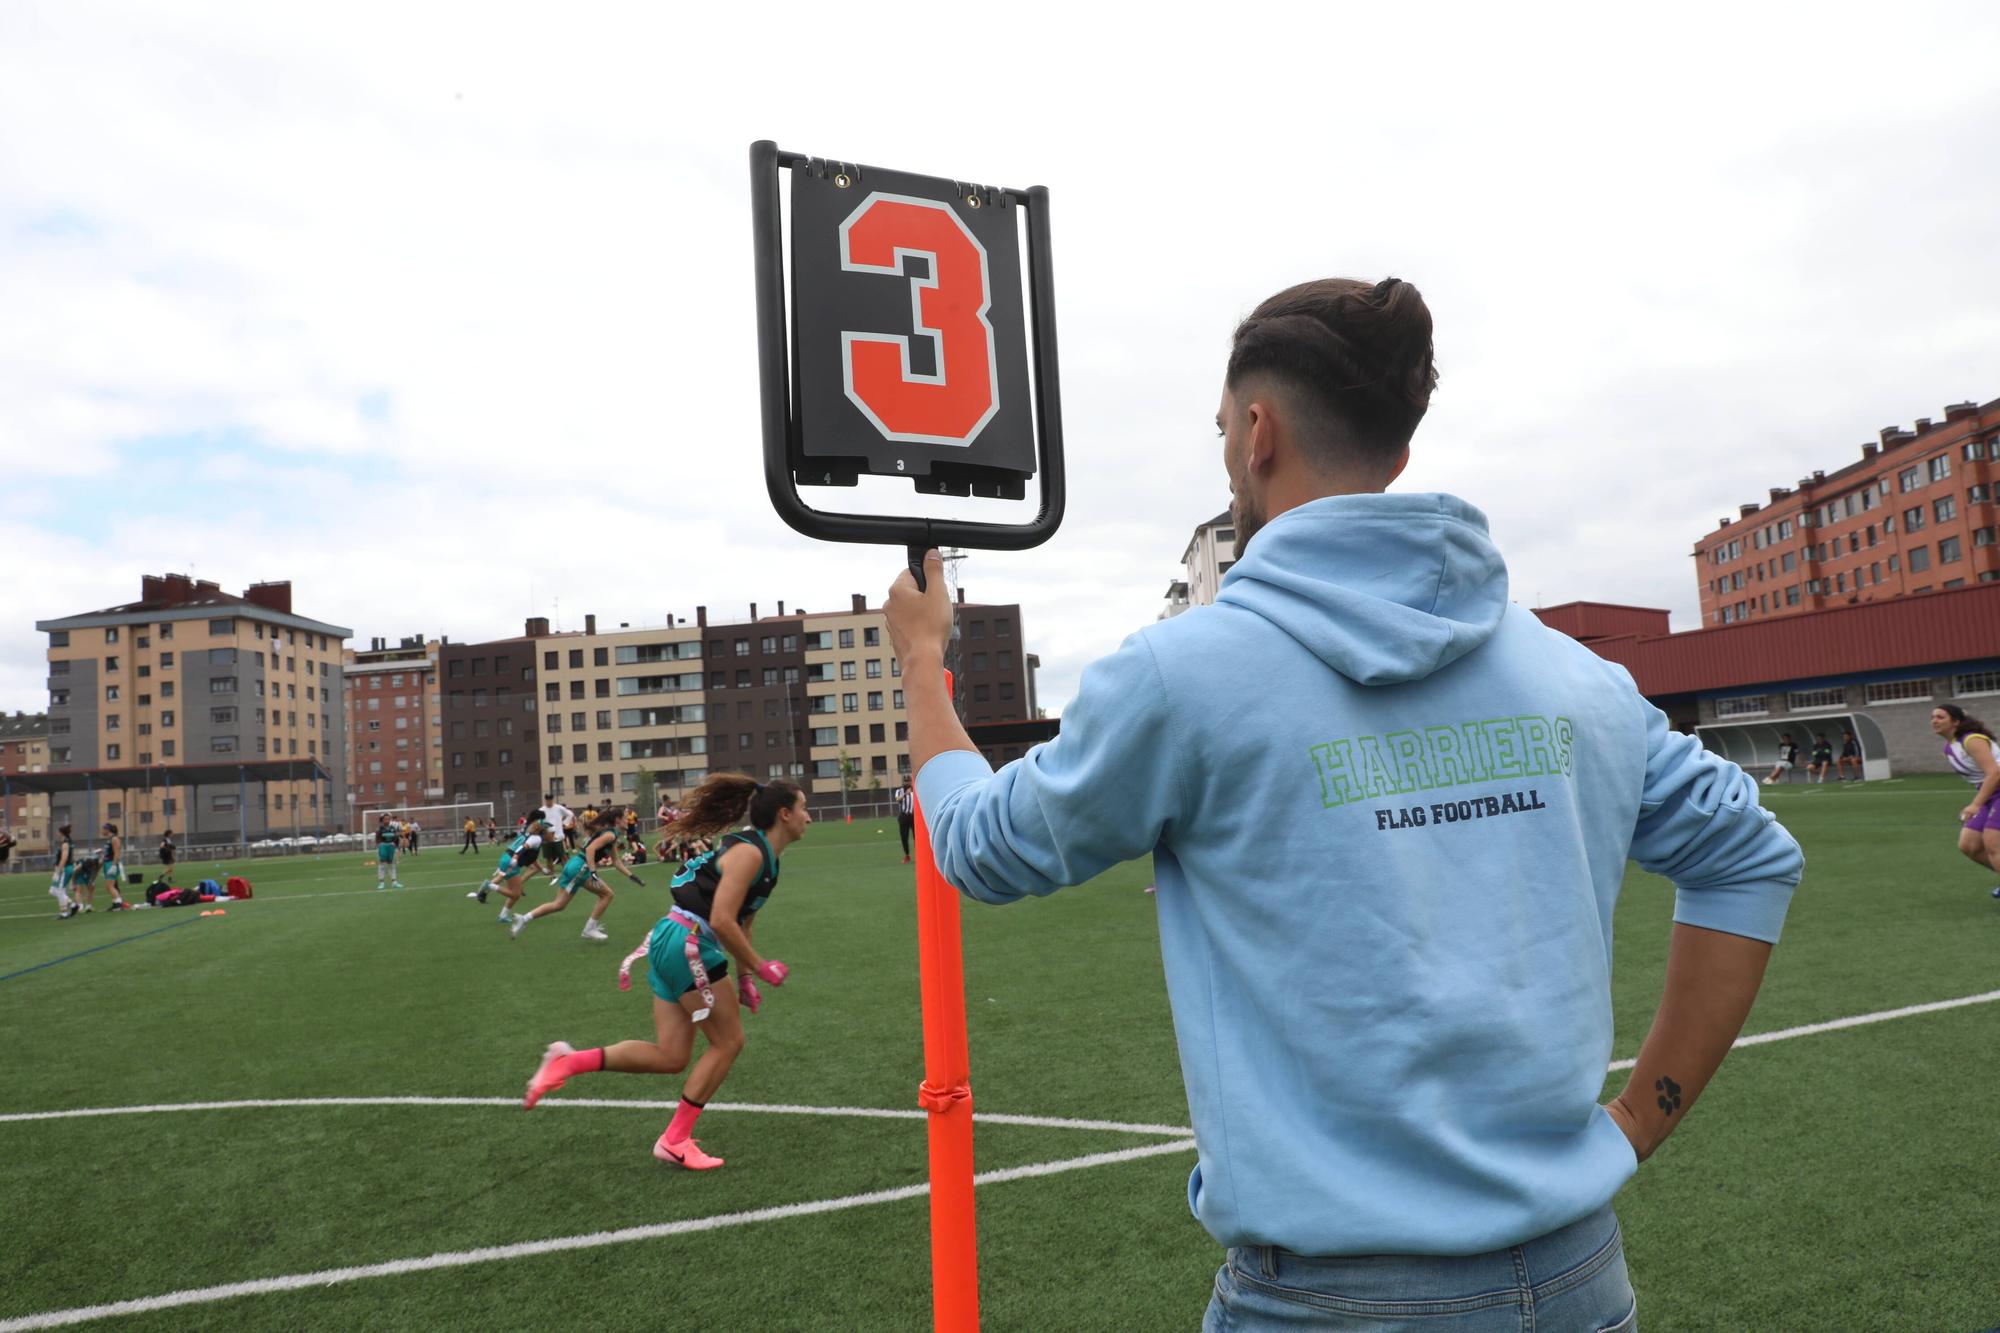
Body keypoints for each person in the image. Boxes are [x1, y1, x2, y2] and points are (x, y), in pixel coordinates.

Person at [884, 276, 1803, 1330]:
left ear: (1257, 432)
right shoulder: (1572, 674)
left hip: (1331, 1300)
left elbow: (979, 847)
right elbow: (1749, 859)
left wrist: (920, 665)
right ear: (1396, 454)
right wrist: (1638, 1119)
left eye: (1224, 425)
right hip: (1576, 1282)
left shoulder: (1185, 675)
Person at [522, 776, 807, 1171]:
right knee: (728, 1042)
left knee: (672, 1055)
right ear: (785, 814)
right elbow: (723, 920)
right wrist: (760, 966)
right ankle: (674, 1140)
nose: (808, 817)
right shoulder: (752, 854)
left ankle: (568, 1061)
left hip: (672, 938)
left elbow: (743, 923)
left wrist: (744, 979)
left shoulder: (764, 859)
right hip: (689, 942)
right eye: (804, 808)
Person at [509, 809, 640, 942]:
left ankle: (524, 919)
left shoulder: (611, 835)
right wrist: (593, 872)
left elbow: (616, 861)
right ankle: (589, 929)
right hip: (580, 868)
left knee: (559, 905)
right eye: (624, 817)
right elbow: (590, 849)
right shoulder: (610, 835)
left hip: (573, 865)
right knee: (607, 895)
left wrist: (631, 875)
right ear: (617, 820)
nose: (627, 820)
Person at [1932, 703, 2000, 899]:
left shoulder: (1972, 740)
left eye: (1940, 717)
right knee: (1969, 845)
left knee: (1992, 841)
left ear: (1956, 721)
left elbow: (1995, 773)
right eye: (1933, 717)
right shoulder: (1949, 748)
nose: (1934, 721)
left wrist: (1976, 804)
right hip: (1991, 795)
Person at [471, 818, 555, 923]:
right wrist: (515, 858)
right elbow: (523, 848)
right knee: (516, 894)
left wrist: (542, 869)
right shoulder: (536, 839)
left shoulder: (531, 836)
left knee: (515, 893)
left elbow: (531, 857)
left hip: (506, 858)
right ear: (545, 832)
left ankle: (503, 916)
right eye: (552, 833)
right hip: (511, 861)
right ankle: (490, 885)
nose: (554, 836)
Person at [49, 823, 80, 918]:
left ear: (61, 833)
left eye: (58, 831)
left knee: (59, 890)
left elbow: (64, 858)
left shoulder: (66, 843)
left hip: (65, 869)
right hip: (64, 868)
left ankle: (64, 912)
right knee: (53, 890)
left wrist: (58, 872)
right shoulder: (66, 842)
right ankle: (73, 905)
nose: (56, 833)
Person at [98, 823, 130, 911]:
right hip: (107, 863)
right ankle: (116, 903)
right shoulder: (109, 839)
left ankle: (119, 904)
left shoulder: (114, 838)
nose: (101, 831)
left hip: (111, 864)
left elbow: (117, 853)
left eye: (103, 829)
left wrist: (113, 866)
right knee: (110, 886)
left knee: (110, 886)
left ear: (107, 830)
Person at [373, 814, 403, 890]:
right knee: (382, 864)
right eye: (386, 819)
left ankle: (394, 882)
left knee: (392, 864)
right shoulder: (379, 829)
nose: (387, 821)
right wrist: (379, 845)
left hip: (391, 847)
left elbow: (395, 838)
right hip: (383, 846)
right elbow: (377, 839)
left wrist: (396, 844)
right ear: (382, 820)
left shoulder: (393, 828)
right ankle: (381, 883)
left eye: (388, 819)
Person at [894, 775, 916, 863]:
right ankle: (907, 855)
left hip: (913, 817)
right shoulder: (899, 791)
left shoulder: (915, 790)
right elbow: (897, 800)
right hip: (904, 816)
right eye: (905, 781)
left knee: (917, 838)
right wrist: (905, 794)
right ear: (903, 782)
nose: (907, 783)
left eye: (908, 781)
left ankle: (919, 856)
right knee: (904, 837)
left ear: (911, 781)